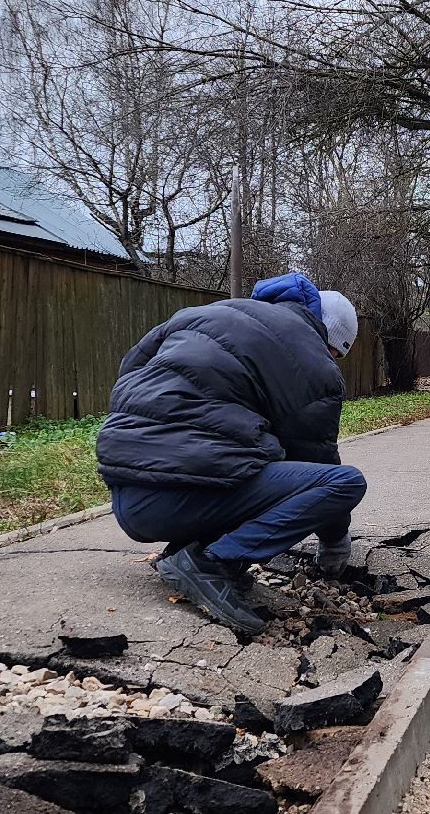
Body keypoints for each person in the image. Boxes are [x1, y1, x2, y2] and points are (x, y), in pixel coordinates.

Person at [96, 273, 366, 637]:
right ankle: (212, 563)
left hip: (127, 496)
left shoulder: (207, 313)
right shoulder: (312, 361)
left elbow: (129, 370)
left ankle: (187, 551)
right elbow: (317, 462)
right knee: (345, 482)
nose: (333, 361)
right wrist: (335, 540)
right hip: (171, 498)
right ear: (330, 341)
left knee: (254, 452)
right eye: (337, 354)